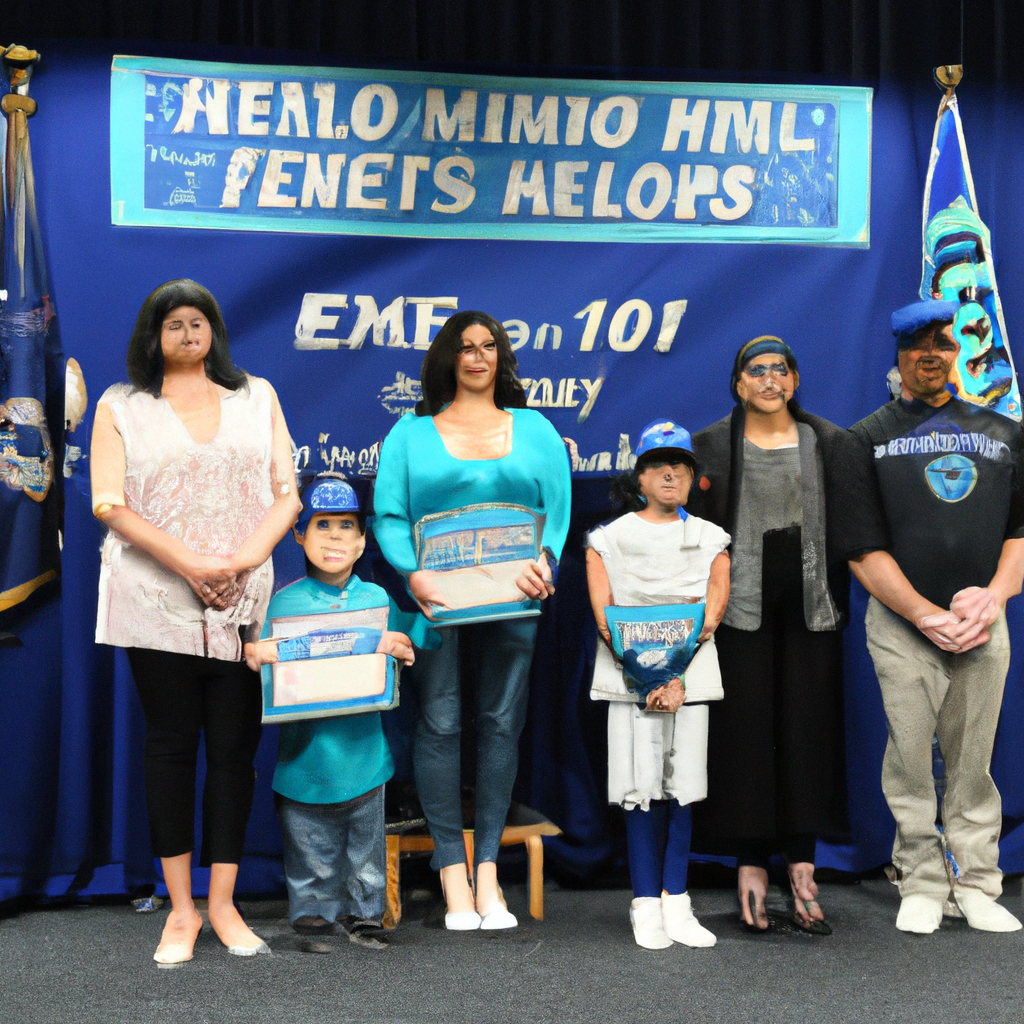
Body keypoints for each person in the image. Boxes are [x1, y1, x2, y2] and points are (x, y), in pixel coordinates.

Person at [91, 280, 301, 965]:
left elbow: (285, 493)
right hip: (156, 598)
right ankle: (179, 910)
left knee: (235, 750)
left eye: (197, 321)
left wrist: (237, 563)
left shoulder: (257, 395)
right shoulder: (121, 404)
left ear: (214, 331)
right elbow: (107, 502)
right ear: (153, 335)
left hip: (243, 596)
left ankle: (223, 903)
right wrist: (190, 564)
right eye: (172, 324)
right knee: (173, 746)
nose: (186, 333)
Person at [373, 310, 571, 930]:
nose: (478, 356)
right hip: (437, 602)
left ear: (502, 357)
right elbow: (388, 514)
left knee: (500, 725)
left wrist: (546, 561)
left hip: (515, 598)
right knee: (438, 724)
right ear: (448, 358)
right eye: (466, 347)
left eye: (490, 346)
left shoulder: (536, 428)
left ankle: (488, 870)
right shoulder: (409, 432)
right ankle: (450, 872)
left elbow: (556, 511)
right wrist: (412, 572)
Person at [849, 299, 1024, 935]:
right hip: (903, 626)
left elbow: (1020, 533)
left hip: (981, 623)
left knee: (974, 760)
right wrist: (923, 615)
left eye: (943, 344)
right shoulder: (865, 438)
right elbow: (861, 551)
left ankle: (977, 883)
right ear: (900, 354)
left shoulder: (1005, 432)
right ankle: (920, 879)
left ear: (958, 354)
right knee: (910, 761)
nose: (932, 354)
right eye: (919, 344)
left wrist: (996, 597)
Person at [690, 336, 874, 933]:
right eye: (757, 370)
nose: (770, 379)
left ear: (794, 380)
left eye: (781, 370)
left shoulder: (831, 442)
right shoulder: (711, 446)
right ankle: (750, 868)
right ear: (739, 383)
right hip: (738, 610)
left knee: (807, 736)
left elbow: (857, 533)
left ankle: (801, 865)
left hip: (811, 608)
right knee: (744, 736)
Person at [244, 477, 414, 949]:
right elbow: (259, 666)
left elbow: (410, 638)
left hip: (365, 753)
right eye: (322, 525)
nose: (336, 536)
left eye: (347, 525)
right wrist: (255, 656)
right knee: (308, 840)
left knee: (366, 847)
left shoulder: (377, 602)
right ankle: (313, 912)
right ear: (299, 535)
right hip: (304, 756)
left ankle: (365, 913)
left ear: (364, 539)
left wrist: (404, 645)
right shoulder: (282, 604)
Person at [586, 420, 730, 949]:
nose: (670, 473)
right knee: (638, 788)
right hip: (630, 681)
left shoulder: (712, 538)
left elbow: (712, 609)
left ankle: (678, 901)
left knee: (684, 787)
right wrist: (646, 676)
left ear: (693, 478)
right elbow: (606, 612)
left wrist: (674, 676)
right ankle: (645, 904)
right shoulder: (607, 539)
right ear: (640, 477)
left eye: (681, 466)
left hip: (690, 679)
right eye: (657, 465)